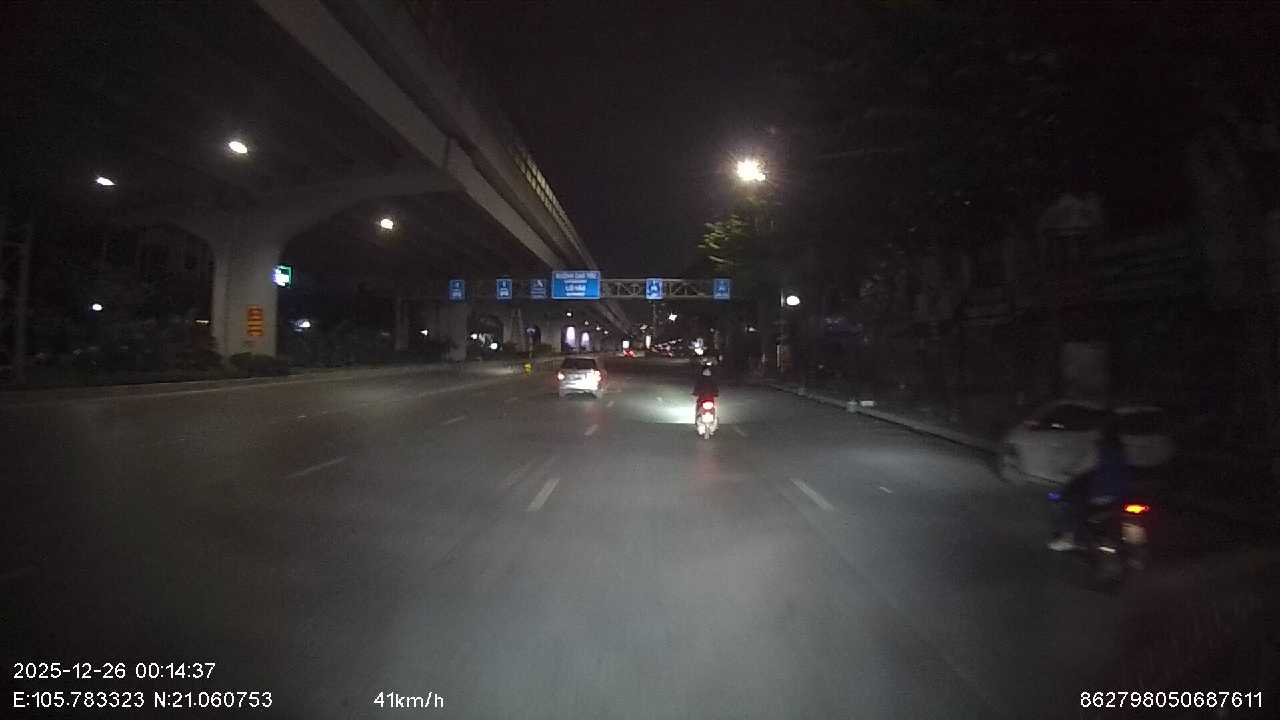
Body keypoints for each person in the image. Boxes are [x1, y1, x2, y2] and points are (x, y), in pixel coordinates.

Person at [1048, 416, 1133, 551]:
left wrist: (1068, 471)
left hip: (1101, 491)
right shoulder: (1121, 449)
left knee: (1069, 501)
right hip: (1121, 492)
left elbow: (1083, 466)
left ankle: (1072, 537)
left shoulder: (1099, 449)